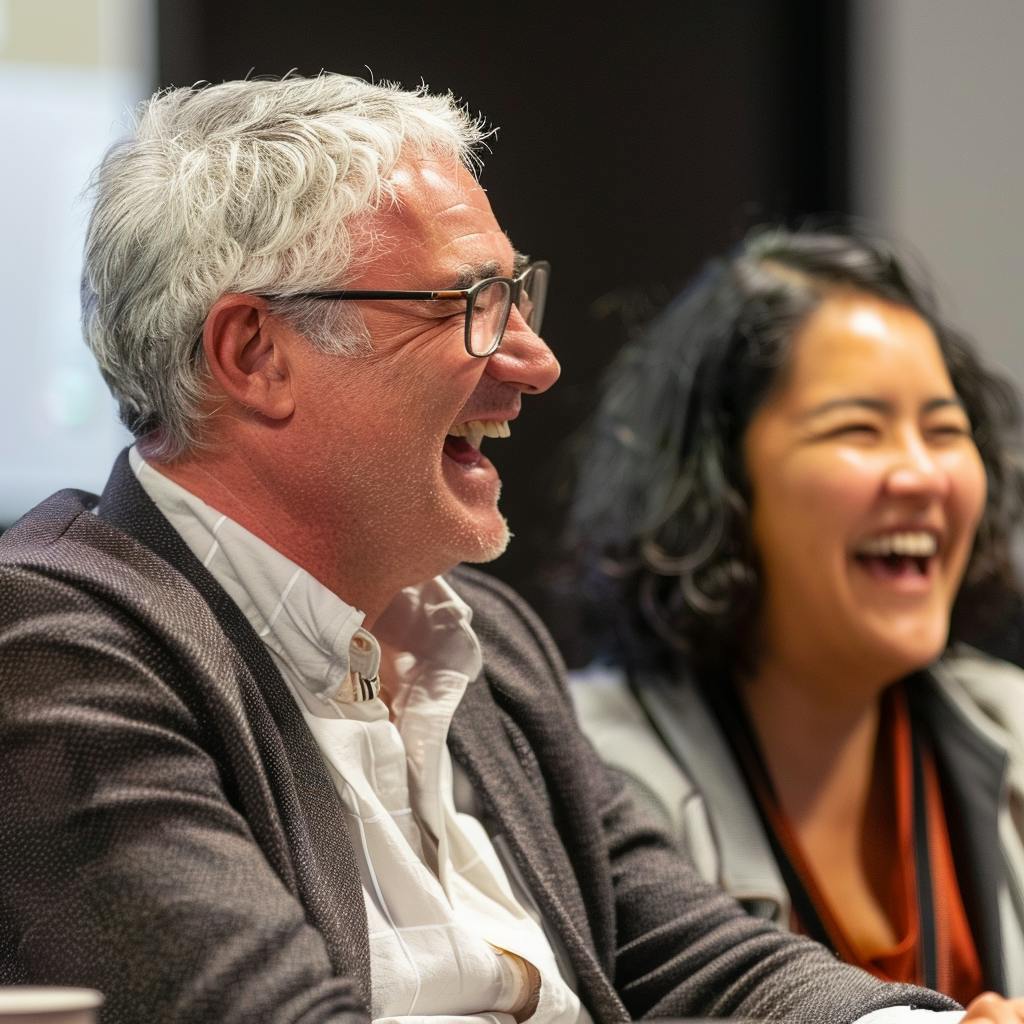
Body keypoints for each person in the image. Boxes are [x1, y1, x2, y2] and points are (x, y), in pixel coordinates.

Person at [0, 76, 1008, 1024]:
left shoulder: (480, 640)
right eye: (470, 305)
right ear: (256, 354)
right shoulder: (60, 649)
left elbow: (686, 954)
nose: (535, 359)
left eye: (518, 295)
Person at [570, 226, 1024, 1010]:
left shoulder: (1012, 728)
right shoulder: (588, 774)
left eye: (946, 432)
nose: (921, 473)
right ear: (717, 480)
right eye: (858, 430)